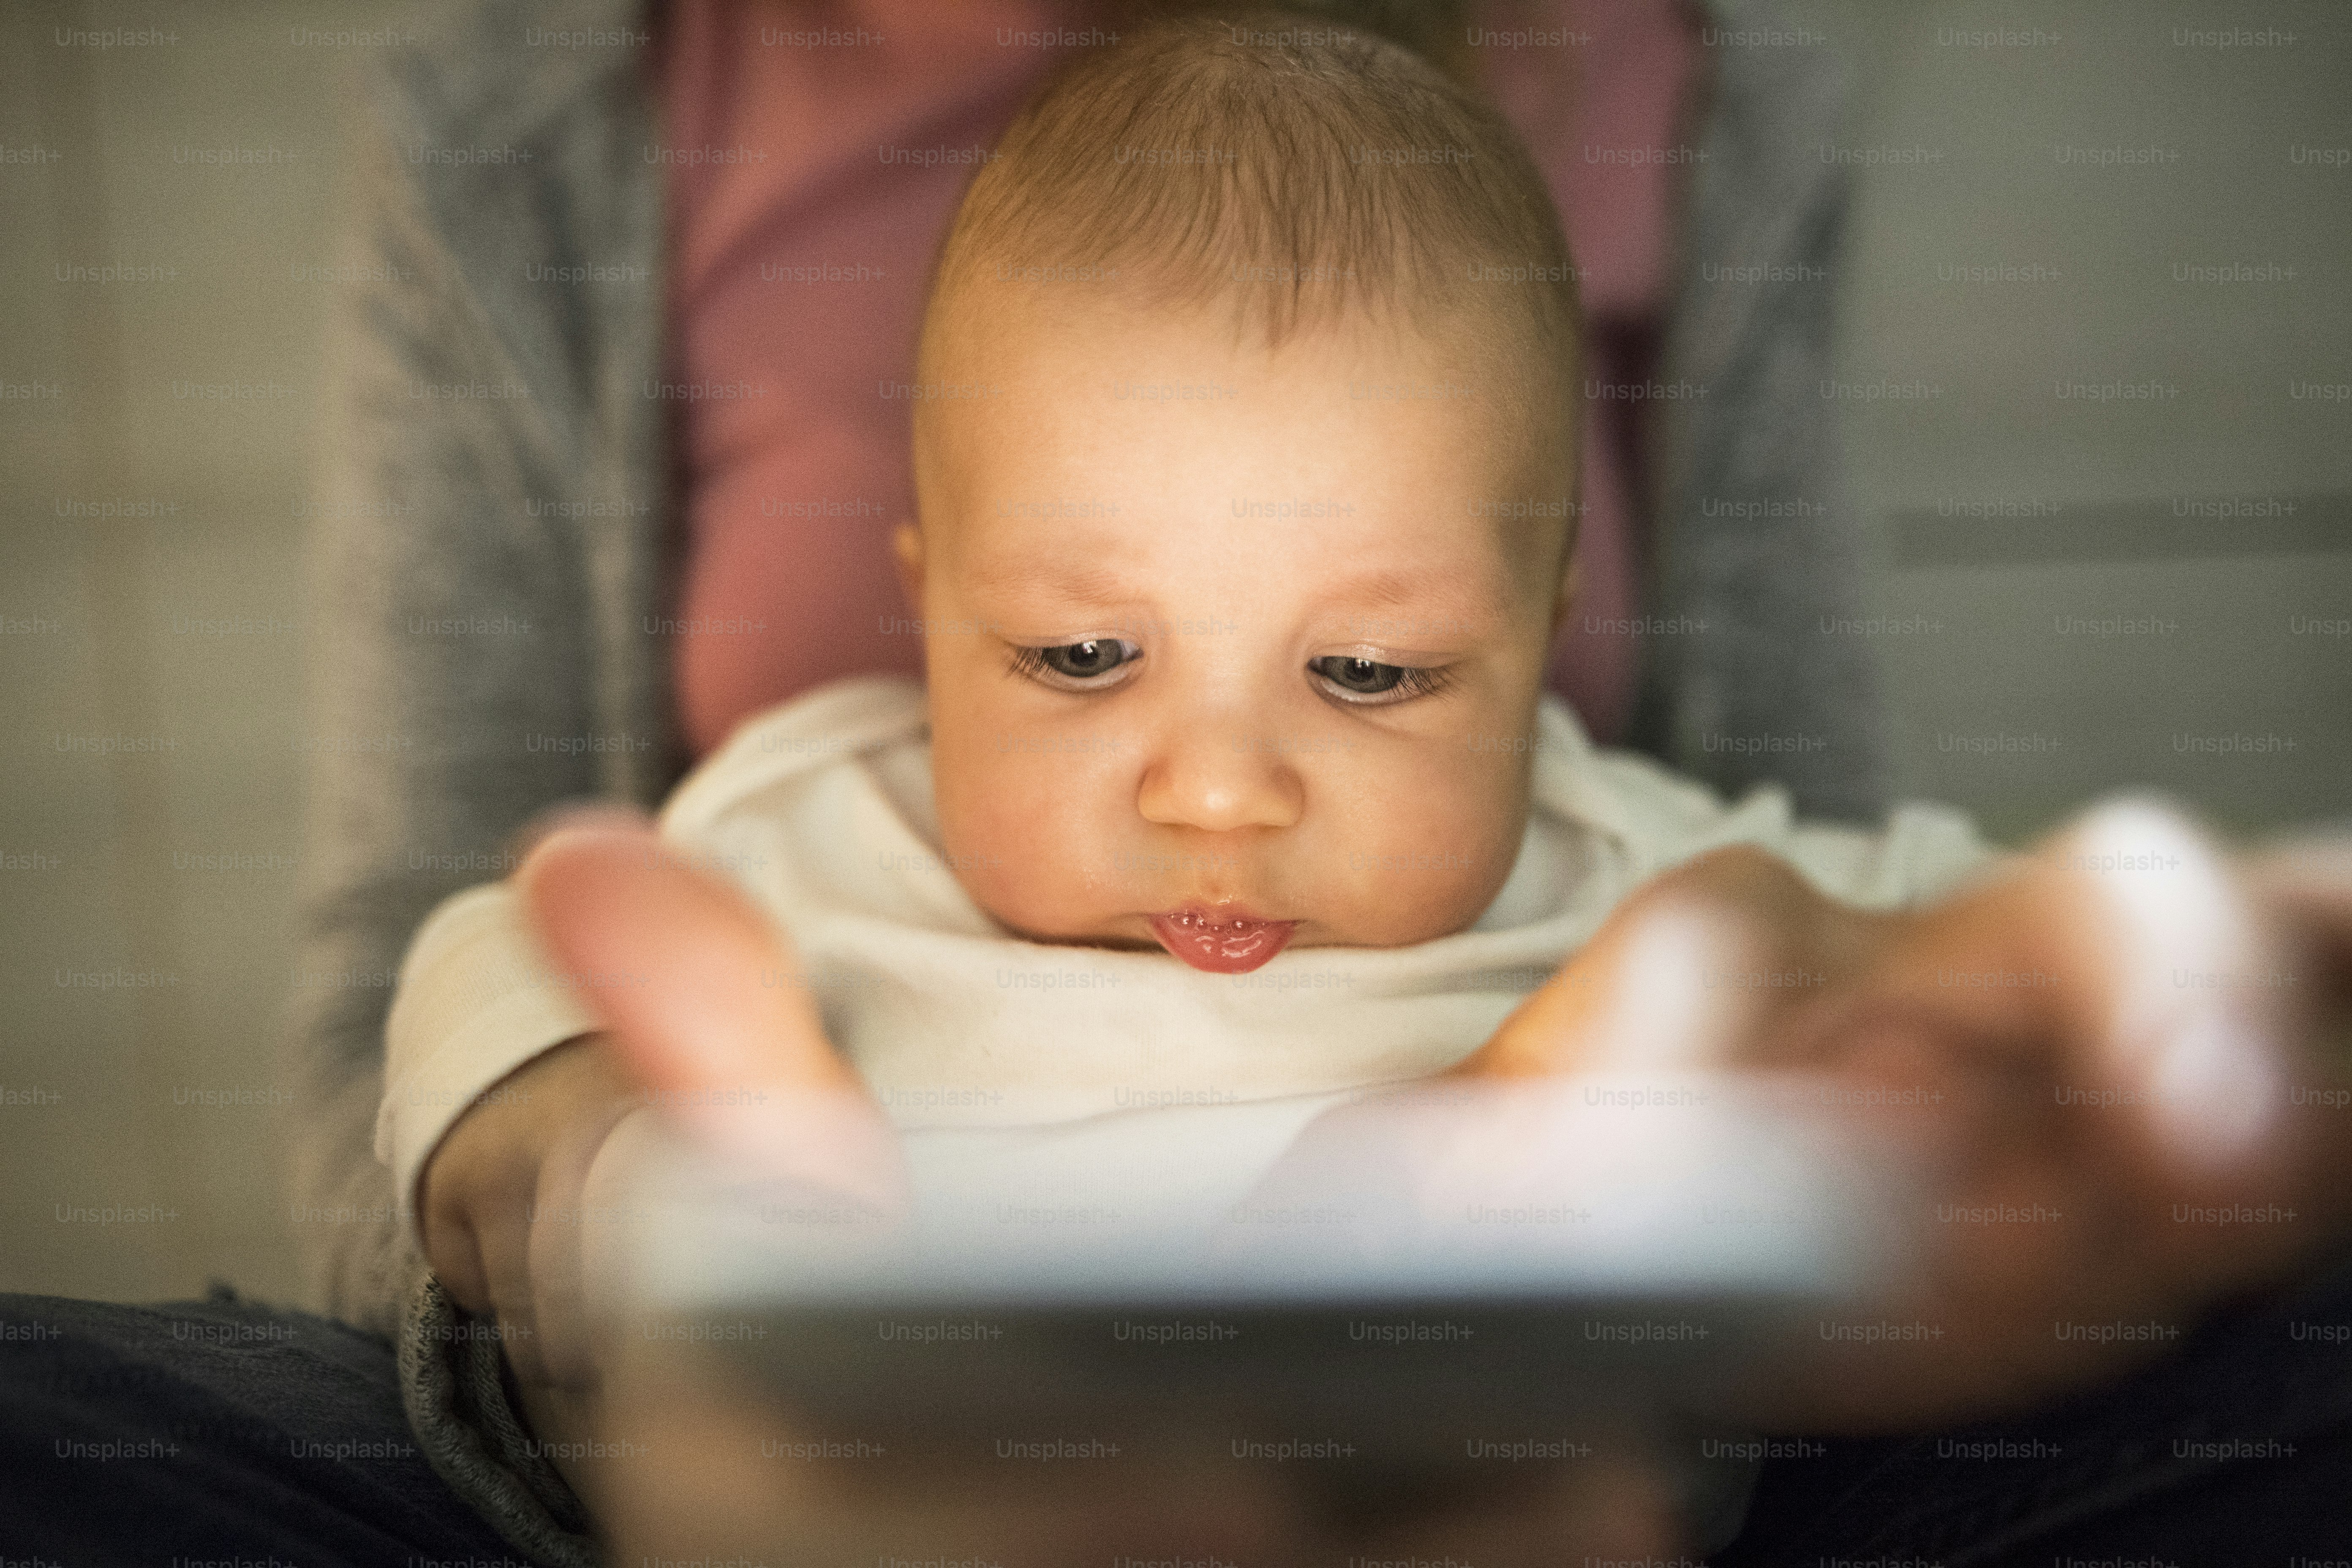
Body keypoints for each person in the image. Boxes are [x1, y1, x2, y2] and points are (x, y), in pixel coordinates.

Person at [394, 16, 2352, 1566]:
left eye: (1373, 672)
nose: (1224, 791)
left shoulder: (1638, 874)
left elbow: (1985, 945)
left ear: (1541, 624)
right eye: (1081, 658)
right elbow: (490, 958)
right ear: (925, 606)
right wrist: (589, 1137)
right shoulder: (810, 827)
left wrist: (2172, 986)